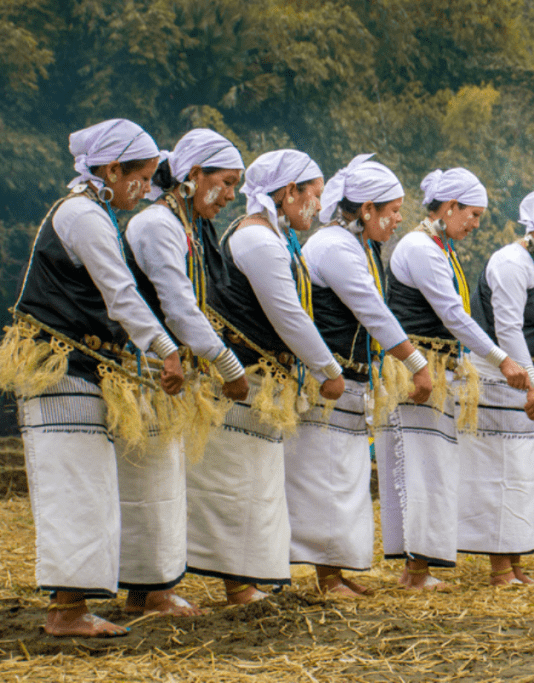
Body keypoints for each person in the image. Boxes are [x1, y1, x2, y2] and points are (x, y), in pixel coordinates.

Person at [1, 119, 184, 636]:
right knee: (76, 489)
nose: (146, 189)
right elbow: (120, 295)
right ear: (110, 169)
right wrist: (166, 350)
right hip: (59, 373)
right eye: (141, 177)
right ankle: (66, 612)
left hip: (80, 371)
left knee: (90, 489)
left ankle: (75, 606)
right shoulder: (82, 216)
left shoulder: (95, 214)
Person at [188, 149, 345, 604]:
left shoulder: (273, 238)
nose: (317, 206)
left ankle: (250, 580)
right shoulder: (257, 240)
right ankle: (239, 585)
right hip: (244, 380)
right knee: (236, 484)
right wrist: (328, 370)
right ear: (289, 192)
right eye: (314, 195)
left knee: (256, 483)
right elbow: (287, 316)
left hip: (261, 385)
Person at [286, 154, 432, 597]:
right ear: (366, 210)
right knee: (328, 480)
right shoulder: (333, 246)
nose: (398, 220)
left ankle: (336, 572)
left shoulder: (356, 247)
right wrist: (417, 363)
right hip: (331, 381)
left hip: (350, 383)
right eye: (392, 211)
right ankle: (328, 579)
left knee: (345, 479)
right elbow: (373, 312)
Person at [120, 128, 250, 616]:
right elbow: (177, 305)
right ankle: (149, 590)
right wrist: (228, 365)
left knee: (166, 476)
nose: (231, 195)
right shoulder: (158, 224)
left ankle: (154, 587)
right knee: (151, 480)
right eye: (226, 182)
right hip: (152, 370)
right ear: (194, 177)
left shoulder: (187, 226)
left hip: (172, 374)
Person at [379, 167, 529, 590]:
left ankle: (418, 570)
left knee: (434, 469)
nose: (477, 224)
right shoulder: (421, 249)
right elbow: (453, 315)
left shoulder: (438, 248)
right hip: (419, 370)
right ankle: (415, 573)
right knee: (423, 469)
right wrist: (502, 360)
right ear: (450, 207)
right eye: (473, 215)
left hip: (436, 370)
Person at [460, 185, 534, 585]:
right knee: (499, 471)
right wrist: (533, 384)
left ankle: (515, 562)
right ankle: (499, 568)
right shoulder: (511, 262)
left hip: (527, 376)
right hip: (500, 377)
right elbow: (508, 329)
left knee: (522, 474)